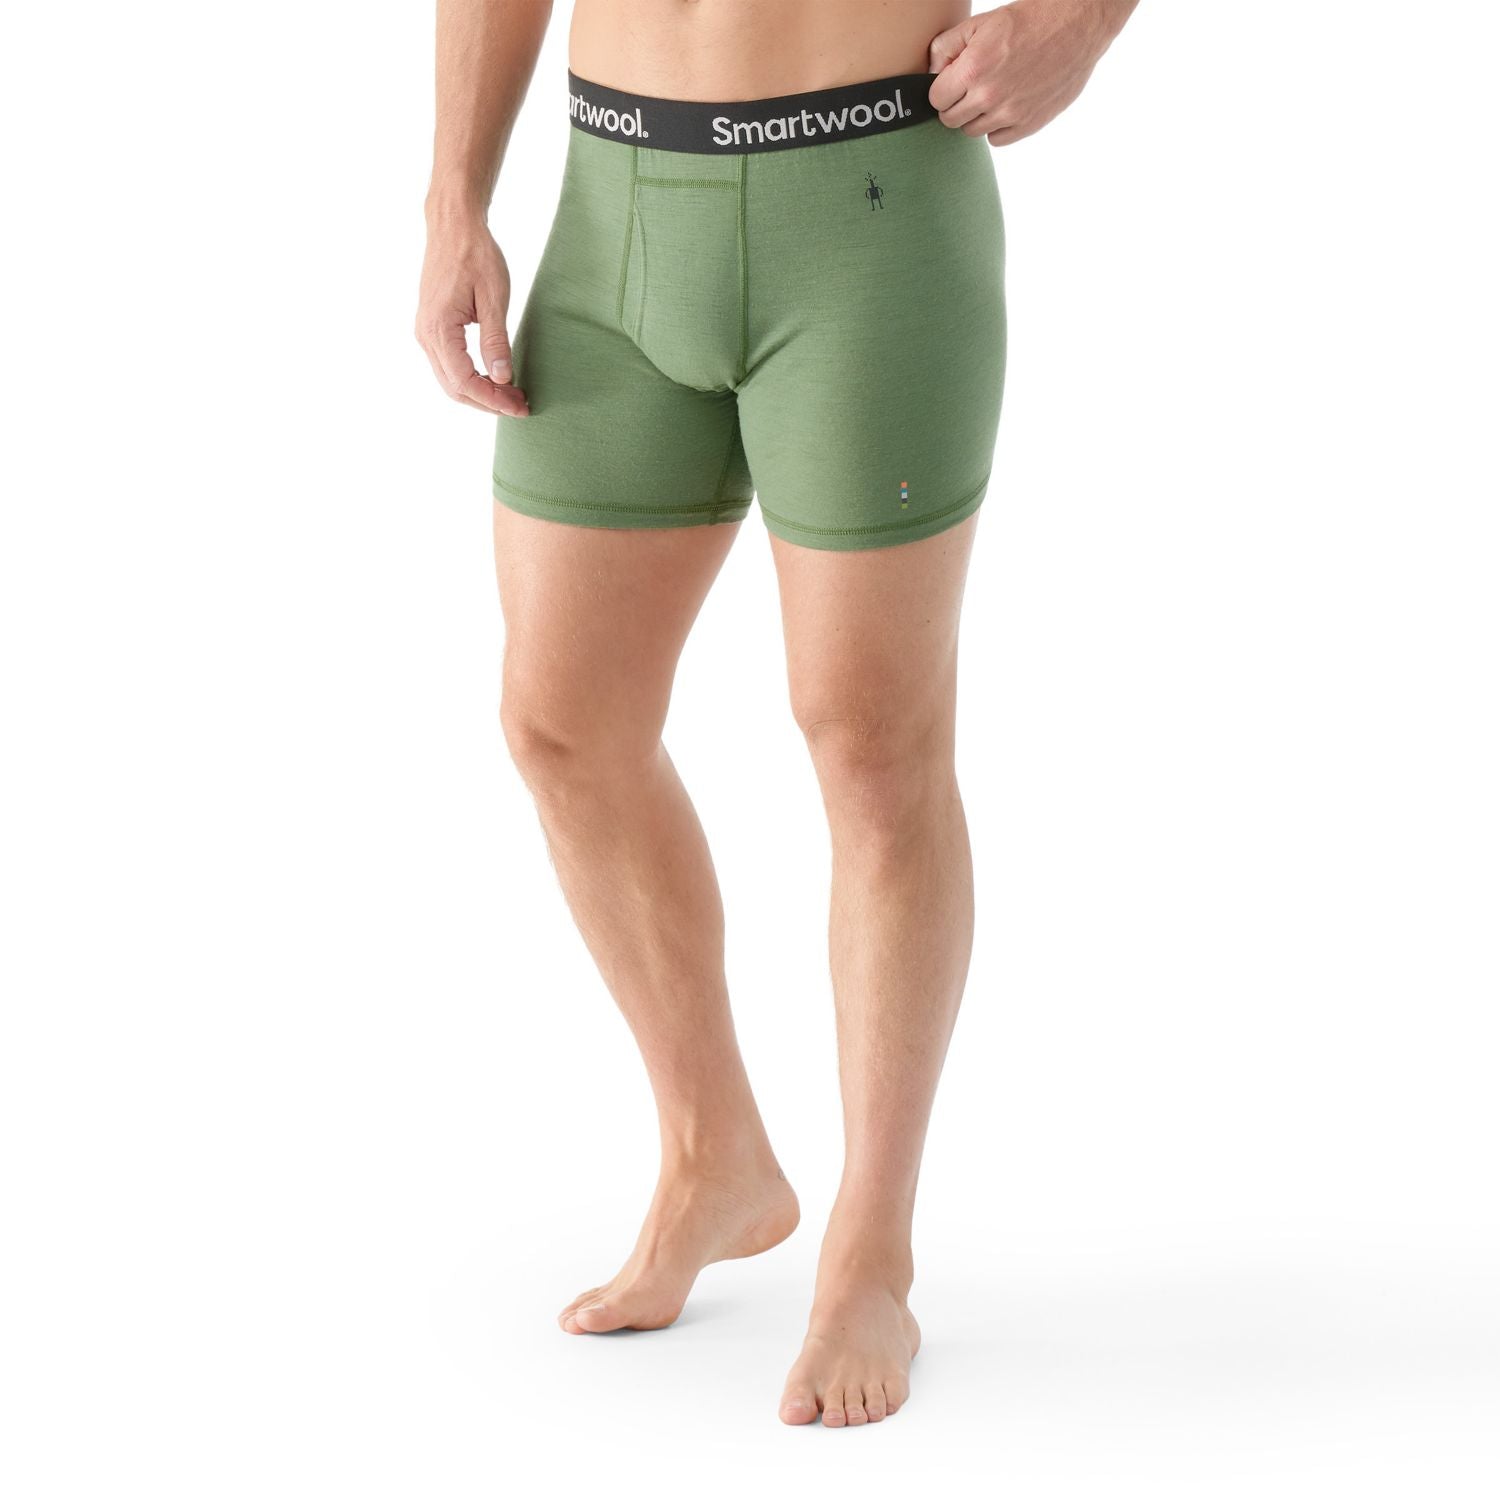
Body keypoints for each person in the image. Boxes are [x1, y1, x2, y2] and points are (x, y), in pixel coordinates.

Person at [416, 0, 1137, 1428]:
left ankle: (872, 1252)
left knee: (872, 750)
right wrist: (454, 191)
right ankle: (714, 1157)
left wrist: (1079, 22)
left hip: (866, 203)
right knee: (561, 721)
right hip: (616, 206)